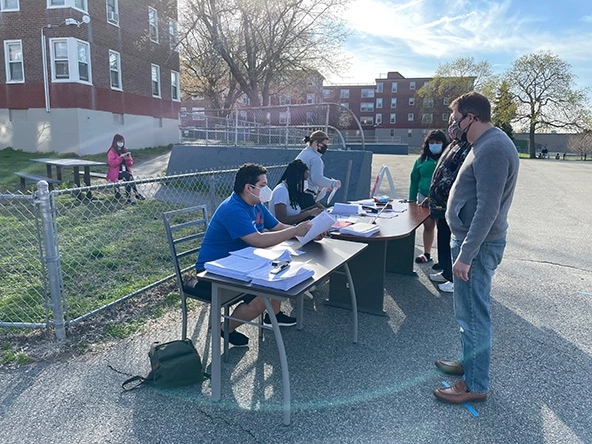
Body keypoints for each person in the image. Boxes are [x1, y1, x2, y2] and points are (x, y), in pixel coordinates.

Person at [433, 92, 519, 404]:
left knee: (473, 316)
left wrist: (465, 256)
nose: (453, 126)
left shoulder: (493, 148)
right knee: (467, 313)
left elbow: (487, 209)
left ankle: (475, 384)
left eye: (456, 119)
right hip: (473, 242)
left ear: (471, 117)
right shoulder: (483, 144)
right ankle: (471, 363)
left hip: (477, 247)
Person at [195, 163, 313, 347]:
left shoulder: (257, 205)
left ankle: (274, 315)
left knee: (277, 272)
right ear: (249, 188)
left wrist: (305, 231)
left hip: (240, 263)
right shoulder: (233, 208)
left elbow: (278, 227)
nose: (267, 190)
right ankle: (224, 328)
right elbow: (257, 240)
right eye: (263, 185)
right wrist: (295, 231)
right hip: (213, 270)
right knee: (262, 298)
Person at [425, 119, 472, 293]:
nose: (452, 124)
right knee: (443, 239)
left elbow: (457, 175)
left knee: (453, 242)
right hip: (440, 205)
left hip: (452, 205)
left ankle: (454, 279)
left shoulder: (468, 147)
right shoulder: (455, 144)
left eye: (455, 120)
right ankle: (446, 270)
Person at [408, 130, 447, 264]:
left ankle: (444, 260)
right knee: (428, 226)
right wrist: (412, 199)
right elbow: (414, 180)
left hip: (442, 199)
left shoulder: (446, 159)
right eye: (432, 143)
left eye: (438, 142)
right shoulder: (421, 160)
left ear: (443, 143)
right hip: (423, 198)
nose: (434, 145)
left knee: (443, 229)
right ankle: (427, 253)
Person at [295, 130, 341, 209]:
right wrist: (334, 183)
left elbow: (310, 177)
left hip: (297, 193)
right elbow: (317, 179)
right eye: (324, 145)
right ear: (316, 142)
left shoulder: (304, 153)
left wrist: (321, 187)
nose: (325, 148)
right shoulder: (315, 158)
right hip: (306, 195)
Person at [270, 159, 324, 225]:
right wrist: (309, 213)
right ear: (296, 178)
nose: (305, 182)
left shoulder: (290, 191)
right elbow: (282, 220)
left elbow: (295, 214)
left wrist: (313, 208)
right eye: (304, 180)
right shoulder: (281, 191)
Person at [106, 134, 145, 204]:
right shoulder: (112, 151)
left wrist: (127, 159)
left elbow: (130, 163)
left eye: (122, 141)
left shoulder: (125, 150)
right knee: (128, 176)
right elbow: (112, 163)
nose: (121, 143)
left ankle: (131, 197)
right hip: (115, 173)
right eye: (119, 141)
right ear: (115, 142)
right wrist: (120, 157)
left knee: (128, 177)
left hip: (125, 171)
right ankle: (134, 195)